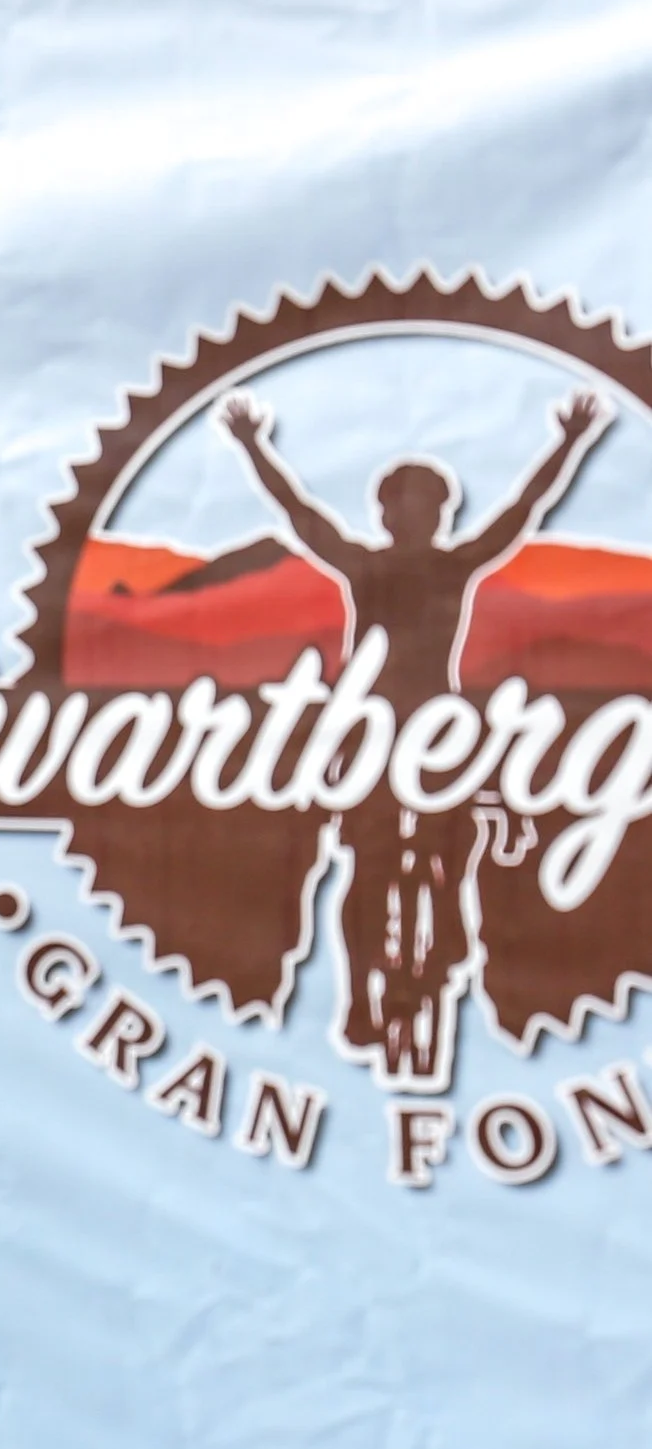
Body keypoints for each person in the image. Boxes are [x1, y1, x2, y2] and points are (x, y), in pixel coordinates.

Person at [221, 387, 606, 1080]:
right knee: (365, 869)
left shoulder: (450, 566)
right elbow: (299, 515)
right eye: (413, 504)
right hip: (372, 740)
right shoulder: (369, 566)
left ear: (439, 514)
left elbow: (523, 510)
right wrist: (253, 447)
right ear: (388, 512)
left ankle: (447, 938)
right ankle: (359, 996)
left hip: (436, 737)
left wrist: (568, 443)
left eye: (433, 505)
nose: (423, 516)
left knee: (456, 845)